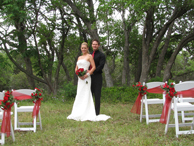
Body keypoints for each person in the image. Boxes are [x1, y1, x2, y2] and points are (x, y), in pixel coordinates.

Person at [67, 42, 110, 121]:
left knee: (88, 93)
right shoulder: (79, 57)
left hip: (87, 77)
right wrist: (78, 74)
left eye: (85, 48)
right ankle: (78, 112)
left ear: (87, 48)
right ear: (81, 48)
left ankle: (90, 112)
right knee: (79, 93)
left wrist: (88, 74)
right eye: (82, 48)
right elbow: (76, 68)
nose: (83, 49)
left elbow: (94, 67)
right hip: (80, 79)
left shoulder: (90, 56)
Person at [90, 39, 105, 115]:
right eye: (93, 44)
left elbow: (100, 66)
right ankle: (89, 111)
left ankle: (96, 113)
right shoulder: (89, 54)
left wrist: (92, 72)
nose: (94, 45)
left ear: (98, 45)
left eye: (96, 44)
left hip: (97, 77)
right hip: (89, 77)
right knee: (89, 94)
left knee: (97, 94)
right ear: (91, 45)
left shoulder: (102, 55)